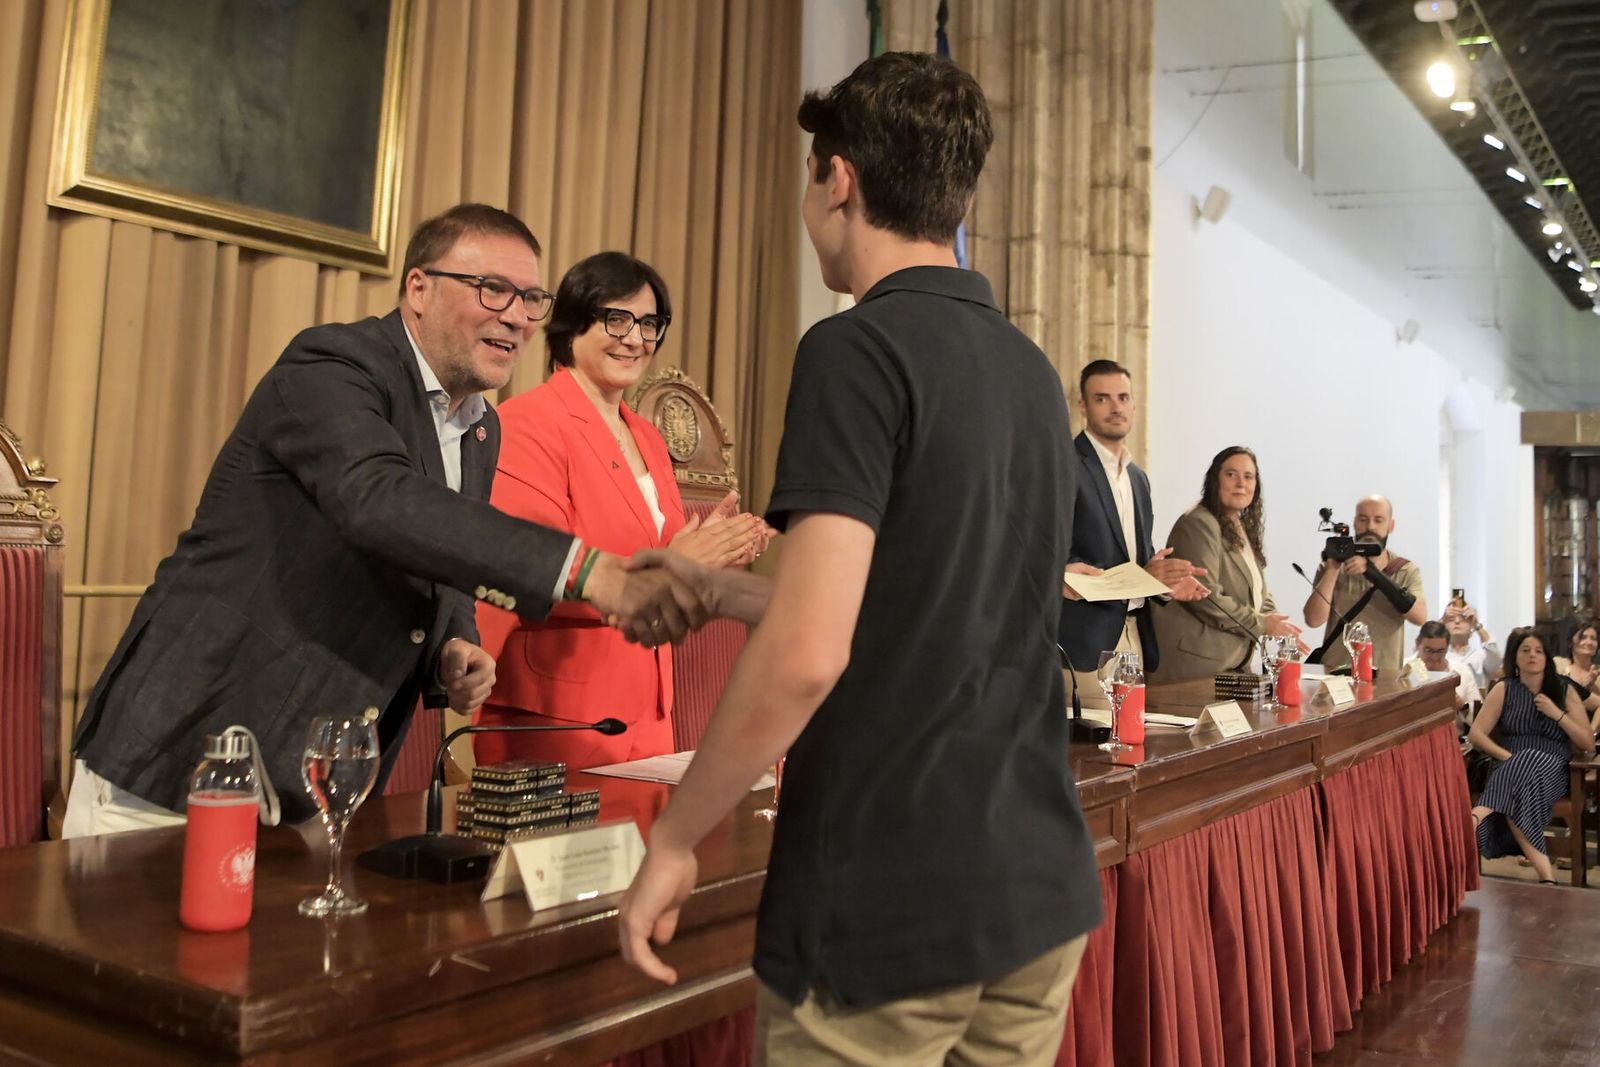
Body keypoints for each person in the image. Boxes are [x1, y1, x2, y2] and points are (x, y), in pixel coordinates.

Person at [616, 52, 1102, 1065]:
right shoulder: (1028, 369)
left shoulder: (854, 349)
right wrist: (718, 588)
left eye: (810, 178)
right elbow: (923, 601)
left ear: (837, 179)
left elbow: (808, 650)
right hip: (1034, 883)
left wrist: (674, 839)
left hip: (894, 892)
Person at [65, 204, 709, 836]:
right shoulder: (334, 365)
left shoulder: (479, 427)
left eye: (530, 299)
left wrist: (456, 641)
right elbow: (377, 500)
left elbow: (443, 556)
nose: (516, 317)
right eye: (493, 290)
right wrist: (587, 569)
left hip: (316, 781)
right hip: (194, 742)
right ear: (418, 287)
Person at [473, 252, 767, 770]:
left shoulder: (649, 438)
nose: (636, 338)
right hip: (562, 718)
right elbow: (526, 567)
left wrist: (720, 547)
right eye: (617, 319)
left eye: (649, 324)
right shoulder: (527, 422)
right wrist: (671, 559)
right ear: (572, 324)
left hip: (650, 713)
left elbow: (672, 566)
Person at [1058, 359, 1207, 697]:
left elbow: (1138, 561)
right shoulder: (1065, 464)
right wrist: (1060, 573)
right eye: (1102, 398)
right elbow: (1047, 549)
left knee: (1129, 744)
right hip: (1083, 642)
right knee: (1093, 747)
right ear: (1082, 406)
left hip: (1134, 637)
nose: (1115, 407)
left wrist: (1164, 585)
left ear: (1134, 405)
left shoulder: (1138, 478)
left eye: (1123, 397)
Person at [1149, 446, 1301, 683]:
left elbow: (1258, 592)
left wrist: (1276, 620)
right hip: (1196, 667)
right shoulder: (1199, 523)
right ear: (1214, 480)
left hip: (1232, 665)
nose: (1241, 483)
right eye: (1231, 474)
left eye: (1248, 477)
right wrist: (1262, 624)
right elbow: (1206, 597)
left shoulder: (1239, 526)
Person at [1469, 627, 1595, 884]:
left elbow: (1587, 743)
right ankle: (1547, 877)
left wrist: (1556, 714)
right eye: (1525, 650)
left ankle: (1478, 815)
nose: (1532, 656)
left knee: (1528, 759)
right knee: (1521, 778)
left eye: (1538, 651)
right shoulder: (1504, 689)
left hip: (1553, 769)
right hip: (1509, 765)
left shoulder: (1563, 689)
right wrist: (1506, 756)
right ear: (1514, 657)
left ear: (1547, 657)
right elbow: (1477, 735)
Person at [1303, 494, 1429, 676]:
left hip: (1384, 676)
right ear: (1354, 523)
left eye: (1379, 520)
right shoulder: (1334, 566)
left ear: (1391, 526)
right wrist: (1332, 570)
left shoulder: (1405, 570)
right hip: (1337, 676)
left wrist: (1372, 573)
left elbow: (1420, 617)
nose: (1371, 527)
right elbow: (1313, 619)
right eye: (1364, 520)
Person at [1405, 620, 1480, 735]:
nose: (1435, 657)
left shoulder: (1461, 671)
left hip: (1453, 739)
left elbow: (1479, 720)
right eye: (1428, 651)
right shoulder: (1405, 670)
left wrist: (1462, 706)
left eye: (1440, 651)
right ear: (1417, 645)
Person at [1443, 599, 1502, 693]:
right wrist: (1442, 620)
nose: (1457, 622)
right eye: (1451, 619)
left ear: (1471, 628)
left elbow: (1496, 659)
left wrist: (1476, 625)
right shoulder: (1438, 657)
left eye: (1463, 618)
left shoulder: (1481, 657)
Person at [1552, 617, 1600, 727]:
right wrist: (1584, 686)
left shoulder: (1598, 673)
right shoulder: (1558, 664)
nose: (1589, 642)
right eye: (1583, 637)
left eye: (1593, 638)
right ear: (1571, 642)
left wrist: (1592, 686)